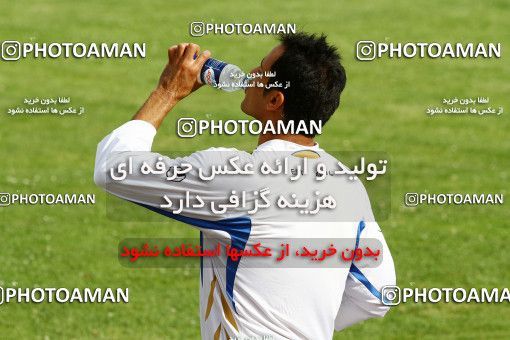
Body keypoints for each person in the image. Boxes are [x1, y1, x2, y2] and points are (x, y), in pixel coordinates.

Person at [94, 32, 396, 339]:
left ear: (275, 100)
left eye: (261, 70)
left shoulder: (235, 176)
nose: (250, 74)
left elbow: (113, 169)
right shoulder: (347, 184)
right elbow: (377, 293)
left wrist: (167, 91)